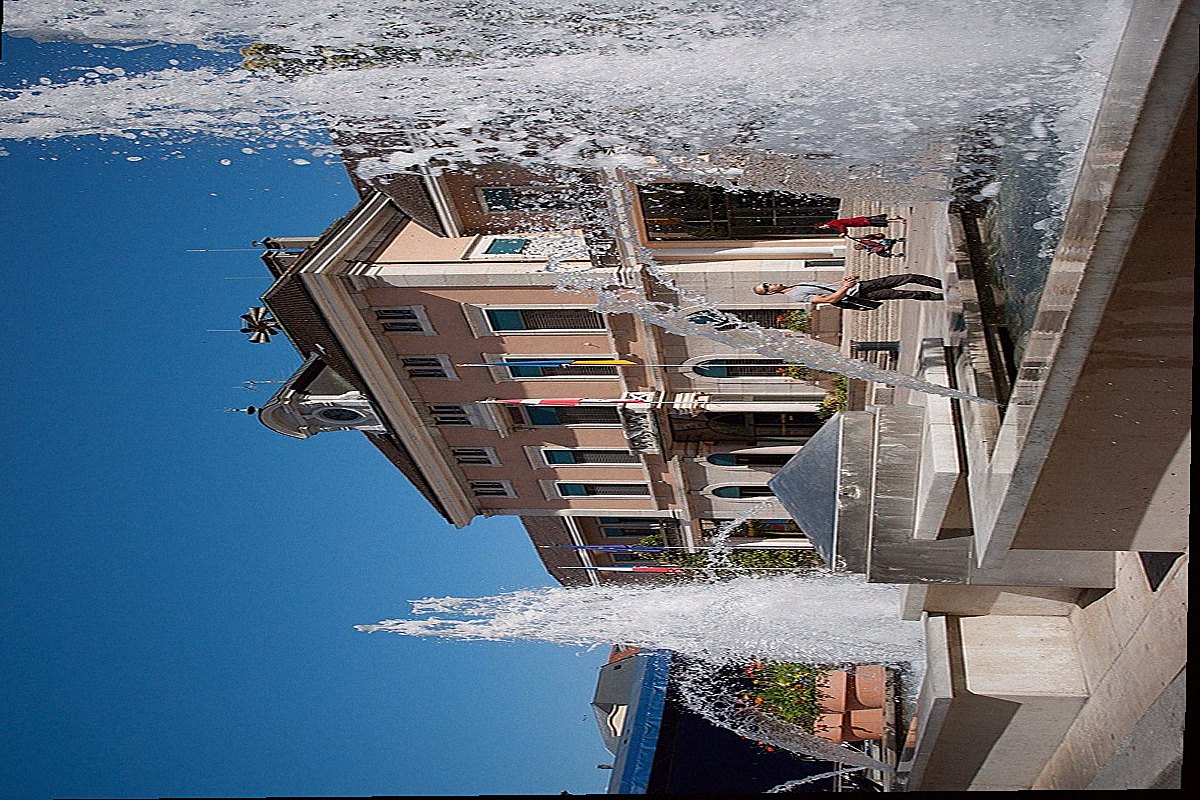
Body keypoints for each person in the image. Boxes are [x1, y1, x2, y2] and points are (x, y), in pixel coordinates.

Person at [753, 274, 942, 310]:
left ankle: (942, 285)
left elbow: (827, 286)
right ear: (770, 294)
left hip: (859, 286)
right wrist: (846, 287)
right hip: (858, 294)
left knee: (907, 277)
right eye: (766, 288)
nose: (770, 285)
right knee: (903, 294)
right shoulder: (795, 296)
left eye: (766, 283)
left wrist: (845, 281)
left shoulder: (798, 284)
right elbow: (829, 298)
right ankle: (941, 296)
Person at [816, 214, 904, 235]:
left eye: (823, 227)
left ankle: (898, 220)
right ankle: (896, 218)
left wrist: (843, 232)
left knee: (880, 221)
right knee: (879, 220)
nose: (825, 228)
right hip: (860, 222)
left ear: (823, 224)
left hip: (861, 221)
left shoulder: (832, 223)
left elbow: (841, 226)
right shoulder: (832, 225)